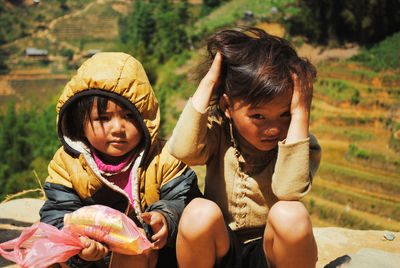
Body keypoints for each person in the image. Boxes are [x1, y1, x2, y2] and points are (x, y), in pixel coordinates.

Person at [168, 27, 322, 268]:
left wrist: (301, 112)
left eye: (284, 114)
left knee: (291, 214)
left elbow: (288, 191)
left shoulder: (300, 145)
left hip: (270, 252)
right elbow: (183, 150)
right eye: (258, 116)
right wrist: (209, 81)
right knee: (198, 211)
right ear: (227, 107)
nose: (273, 129)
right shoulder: (219, 133)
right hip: (222, 247)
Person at [39, 52, 202, 268]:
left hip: (150, 258)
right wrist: (79, 247)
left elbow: (185, 200)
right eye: (103, 118)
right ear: (80, 124)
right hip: (92, 262)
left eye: (129, 116)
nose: (118, 129)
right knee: (42, 252)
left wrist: (167, 218)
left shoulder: (164, 158)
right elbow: (56, 215)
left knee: (133, 252)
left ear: (145, 118)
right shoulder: (67, 163)